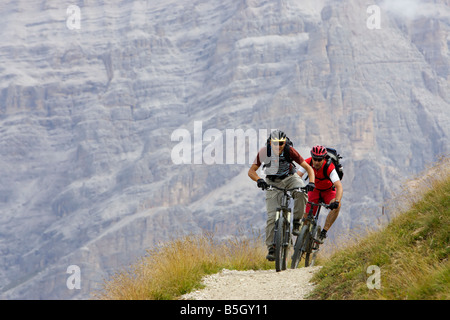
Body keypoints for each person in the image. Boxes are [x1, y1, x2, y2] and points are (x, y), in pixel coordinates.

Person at [248, 130, 315, 261]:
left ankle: (296, 221)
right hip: (272, 182)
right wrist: (259, 180)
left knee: (301, 193)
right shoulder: (264, 152)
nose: (278, 146)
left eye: (281, 144)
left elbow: (309, 168)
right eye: (275, 144)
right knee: (272, 217)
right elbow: (251, 171)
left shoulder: (290, 151)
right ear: (270, 143)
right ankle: (272, 248)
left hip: (290, 178)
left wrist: (311, 183)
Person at [296, 145, 343, 241]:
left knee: (337, 206)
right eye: (315, 159)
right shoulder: (308, 162)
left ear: (324, 158)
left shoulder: (329, 167)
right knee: (306, 218)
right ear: (312, 157)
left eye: (319, 159)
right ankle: (302, 241)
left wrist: (337, 201)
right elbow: (297, 176)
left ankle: (323, 232)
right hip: (314, 190)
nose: (317, 162)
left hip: (328, 191)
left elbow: (339, 187)